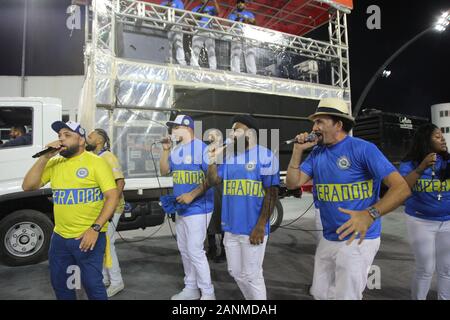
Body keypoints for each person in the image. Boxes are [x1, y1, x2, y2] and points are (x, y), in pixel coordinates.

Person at [285, 98, 411, 300]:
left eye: (320, 122)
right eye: (314, 122)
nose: (314, 127)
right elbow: (292, 183)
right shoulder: (317, 153)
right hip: (330, 237)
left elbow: (402, 188)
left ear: (338, 124)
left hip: (359, 238)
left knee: (346, 296)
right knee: (320, 292)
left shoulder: (363, 149)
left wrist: (370, 215)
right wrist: (297, 151)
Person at [22, 121, 119, 300]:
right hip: (60, 238)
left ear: (81, 140)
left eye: (67, 135)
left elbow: (112, 197)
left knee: (93, 284)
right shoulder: (55, 162)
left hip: (88, 236)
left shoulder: (96, 162)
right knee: (61, 284)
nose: (61, 139)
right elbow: (28, 186)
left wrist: (95, 228)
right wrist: (45, 158)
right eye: (59, 136)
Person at [207, 115, 280, 300]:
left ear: (250, 133)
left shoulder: (266, 156)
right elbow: (214, 180)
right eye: (231, 130)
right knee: (235, 272)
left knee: (253, 275)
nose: (232, 134)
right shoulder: (230, 157)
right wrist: (212, 160)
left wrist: (261, 226)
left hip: (252, 228)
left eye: (236, 130)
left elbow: (271, 194)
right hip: (230, 227)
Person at [159, 114, 216, 300]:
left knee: (194, 250)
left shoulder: (201, 148)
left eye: (176, 127)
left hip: (200, 207)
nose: (172, 131)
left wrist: (192, 195)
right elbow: (164, 170)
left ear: (187, 128)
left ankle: (208, 293)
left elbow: (213, 178)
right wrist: (166, 150)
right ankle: (191, 288)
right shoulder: (176, 149)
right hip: (181, 208)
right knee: (184, 249)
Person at [399, 123, 450, 300]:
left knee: (447, 269)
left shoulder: (447, 161)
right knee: (426, 268)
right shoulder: (409, 164)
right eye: (437, 136)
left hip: (448, 222)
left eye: (442, 135)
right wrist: (422, 167)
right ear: (425, 141)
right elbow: (403, 187)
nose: (442, 138)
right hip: (420, 222)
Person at [86, 128, 126, 298]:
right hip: (101, 208)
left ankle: (117, 282)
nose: (87, 138)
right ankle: (105, 279)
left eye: (91, 136)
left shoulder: (107, 156)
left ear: (100, 141)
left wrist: (111, 208)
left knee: (108, 245)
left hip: (111, 208)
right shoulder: (95, 157)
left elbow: (121, 182)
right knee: (102, 245)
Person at [228, 0, 257, 75]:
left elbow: (254, 23)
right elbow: (230, 24)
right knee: (235, 53)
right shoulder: (232, 14)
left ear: (244, 4)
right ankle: (235, 72)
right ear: (236, 4)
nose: (240, 4)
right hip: (236, 33)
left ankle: (252, 73)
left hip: (247, 33)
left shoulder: (249, 13)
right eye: (238, 2)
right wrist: (237, 18)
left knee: (250, 53)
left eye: (242, 2)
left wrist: (244, 17)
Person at [190, 0, 221, 69]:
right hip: (198, 30)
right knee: (195, 50)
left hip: (209, 30)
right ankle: (193, 67)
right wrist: (200, 11)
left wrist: (215, 1)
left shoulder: (211, 8)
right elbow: (193, 19)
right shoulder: (195, 8)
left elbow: (218, 12)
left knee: (211, 51)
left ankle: (213, 68)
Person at [160, 0, 187, 66]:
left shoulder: (178, 2)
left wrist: (172, 8)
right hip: (166, 25)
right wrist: (166, 7)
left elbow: (181, 13)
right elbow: (159, 11)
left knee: (178, 44)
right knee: (168, 44)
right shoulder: (163, 2)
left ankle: (182, 63)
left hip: (177, 24)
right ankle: (170, 61)